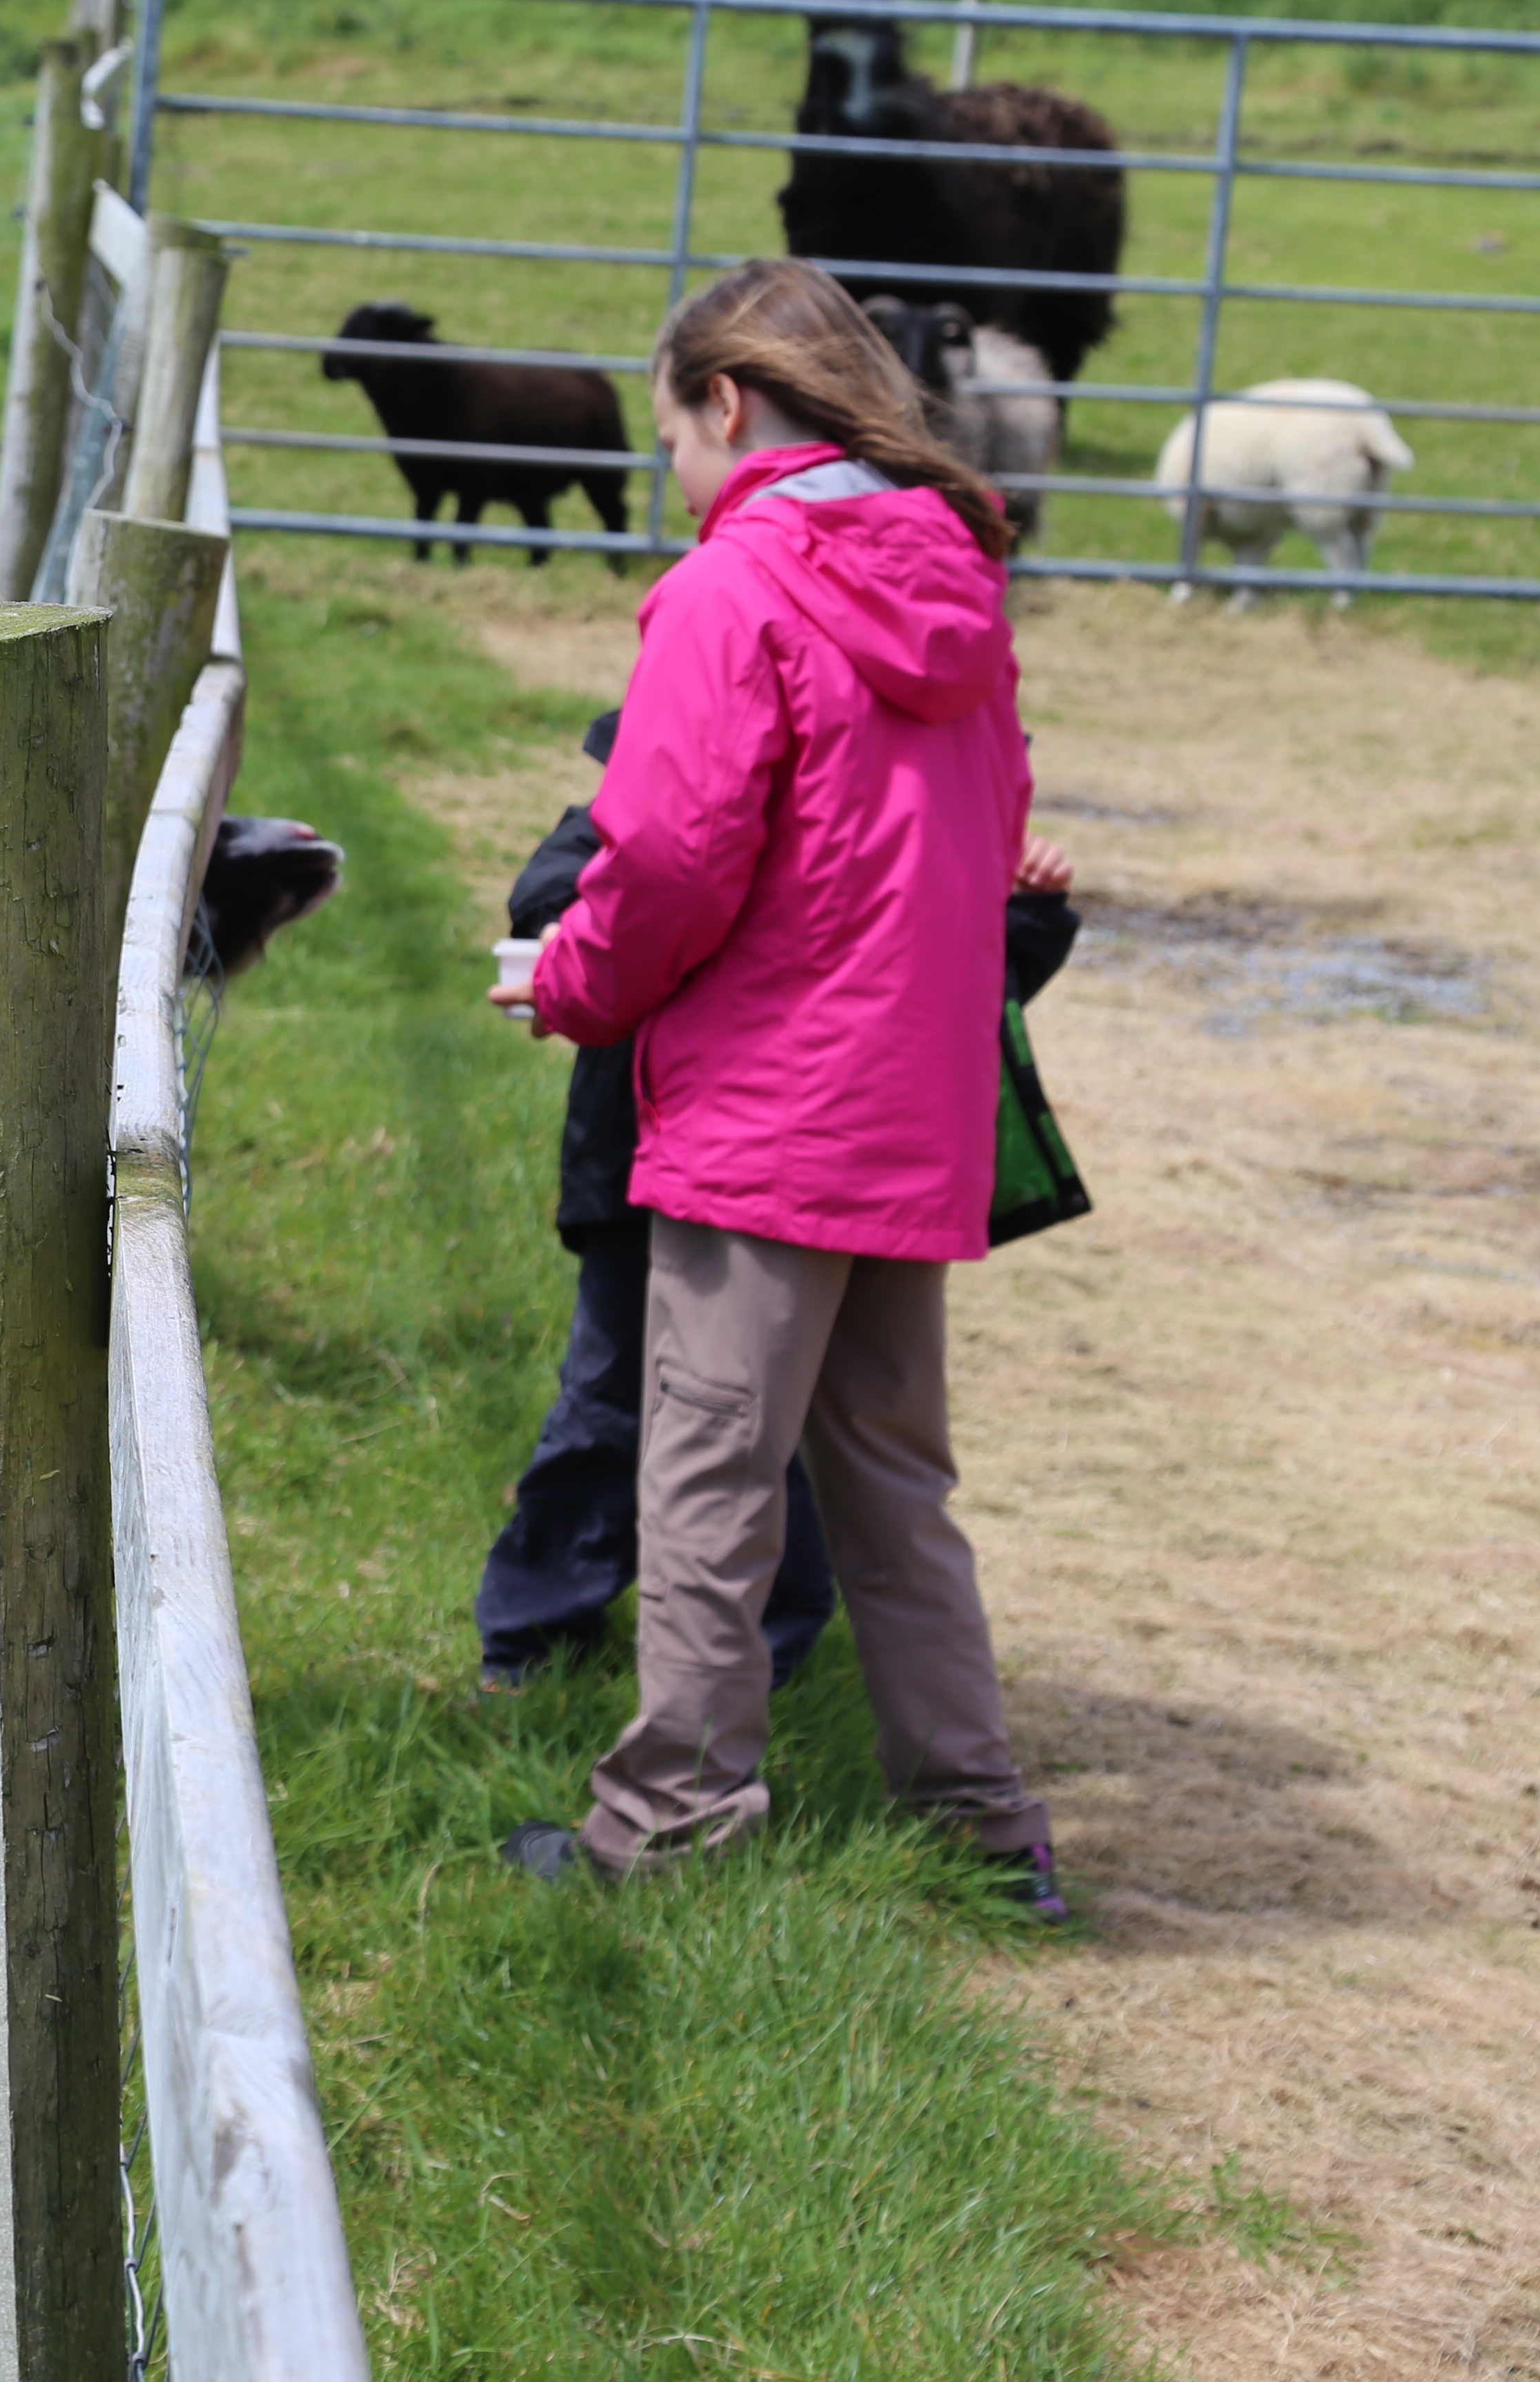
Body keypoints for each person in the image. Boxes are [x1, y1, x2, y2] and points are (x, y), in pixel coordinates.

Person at [488, 257, 1064, 1918]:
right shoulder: (960, 585)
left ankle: (666, 1819)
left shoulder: (733, 591)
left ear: (725, 404)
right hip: (917, 1099)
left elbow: (663, 854)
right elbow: (992, 839)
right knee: (892, 1478)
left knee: (709, 1468)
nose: (674, 473)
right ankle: (981, 1826)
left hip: (770, 1105)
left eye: (673, 432)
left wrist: (582, 984)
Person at [476, 769, 1082, 1695]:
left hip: (804, 1177)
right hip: (641, 1165)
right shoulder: (649, 805)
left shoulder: (888, 841)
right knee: (608, 1407)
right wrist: (575, 929)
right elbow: (556, 892)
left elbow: (961, 987)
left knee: (774, 1427)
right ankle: (536, 1633)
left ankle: (775, 1650)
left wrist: (1027, 910)